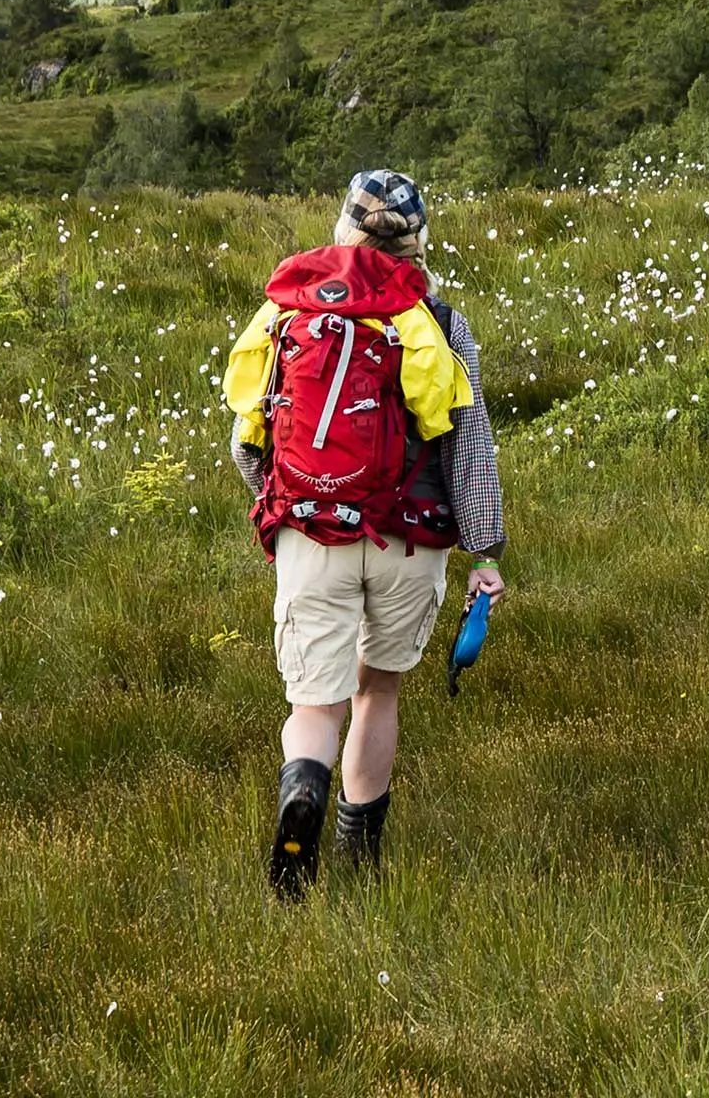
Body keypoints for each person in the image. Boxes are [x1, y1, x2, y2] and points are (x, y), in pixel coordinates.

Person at [223, 168, 506, 899]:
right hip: (409, 543)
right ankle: (361, 859)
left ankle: (301, 800)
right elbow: (468, 449)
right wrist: (484, 551)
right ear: (419, 241)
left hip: (312, 535)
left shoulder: (288, 312)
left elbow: (249, 441)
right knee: (377, 693)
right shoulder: (439, 321)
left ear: (342, 229)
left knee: (314, 704)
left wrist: (287, 509)